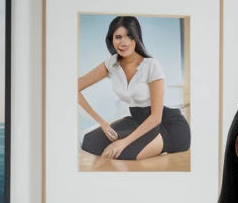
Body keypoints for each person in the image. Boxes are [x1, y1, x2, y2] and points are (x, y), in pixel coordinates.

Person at [78, 16, 191, 161]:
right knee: (90, 142)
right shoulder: (111, 65)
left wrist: (123, 143)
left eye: (129, 36)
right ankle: (128, 133)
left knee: (123, 154)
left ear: (136, 38)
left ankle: (157, 143)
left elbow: (156, 117)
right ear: (111, 39)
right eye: (118, 37)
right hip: (136, 120)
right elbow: (75, 87)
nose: (123, 42)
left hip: (167, 126)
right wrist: (102, 122)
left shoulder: (151, 65)